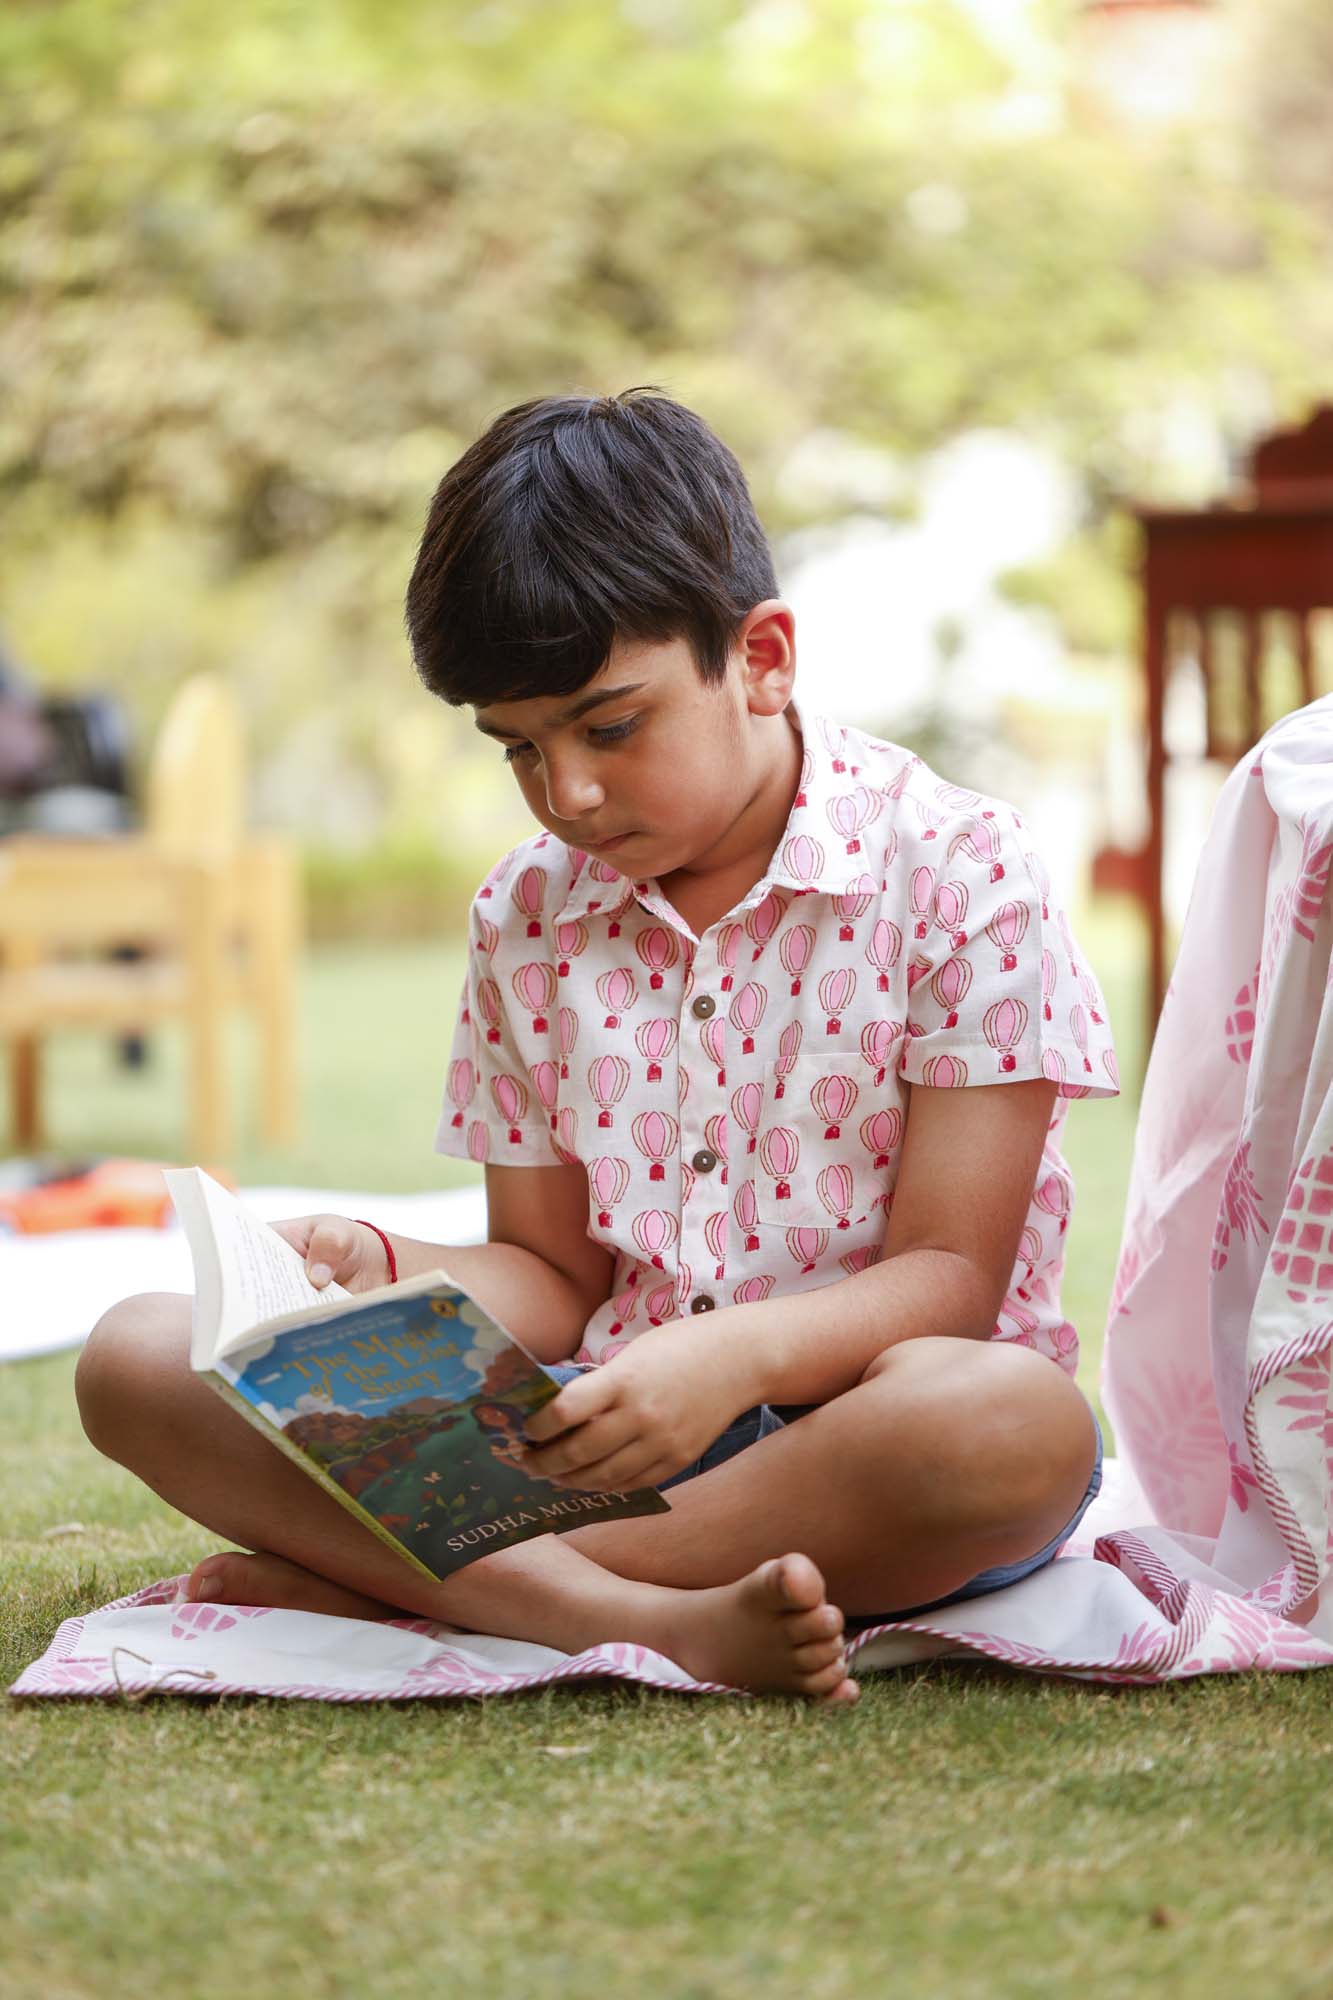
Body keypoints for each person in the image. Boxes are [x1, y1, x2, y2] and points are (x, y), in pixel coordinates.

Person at [76, 388, 1119, 1705]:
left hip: (855, 1446)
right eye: (517, 748)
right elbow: (553, 1276)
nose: (566, 794)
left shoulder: (963, 875)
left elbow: (951, 1278)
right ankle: (631, 1617)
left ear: (761, 659)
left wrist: (730, 1356)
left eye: (609, 727)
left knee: (1009, 1427)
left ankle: (430, 1586)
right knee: (138, 1353)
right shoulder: (526, 912)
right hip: (580, 1429)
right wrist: (385, 1271)